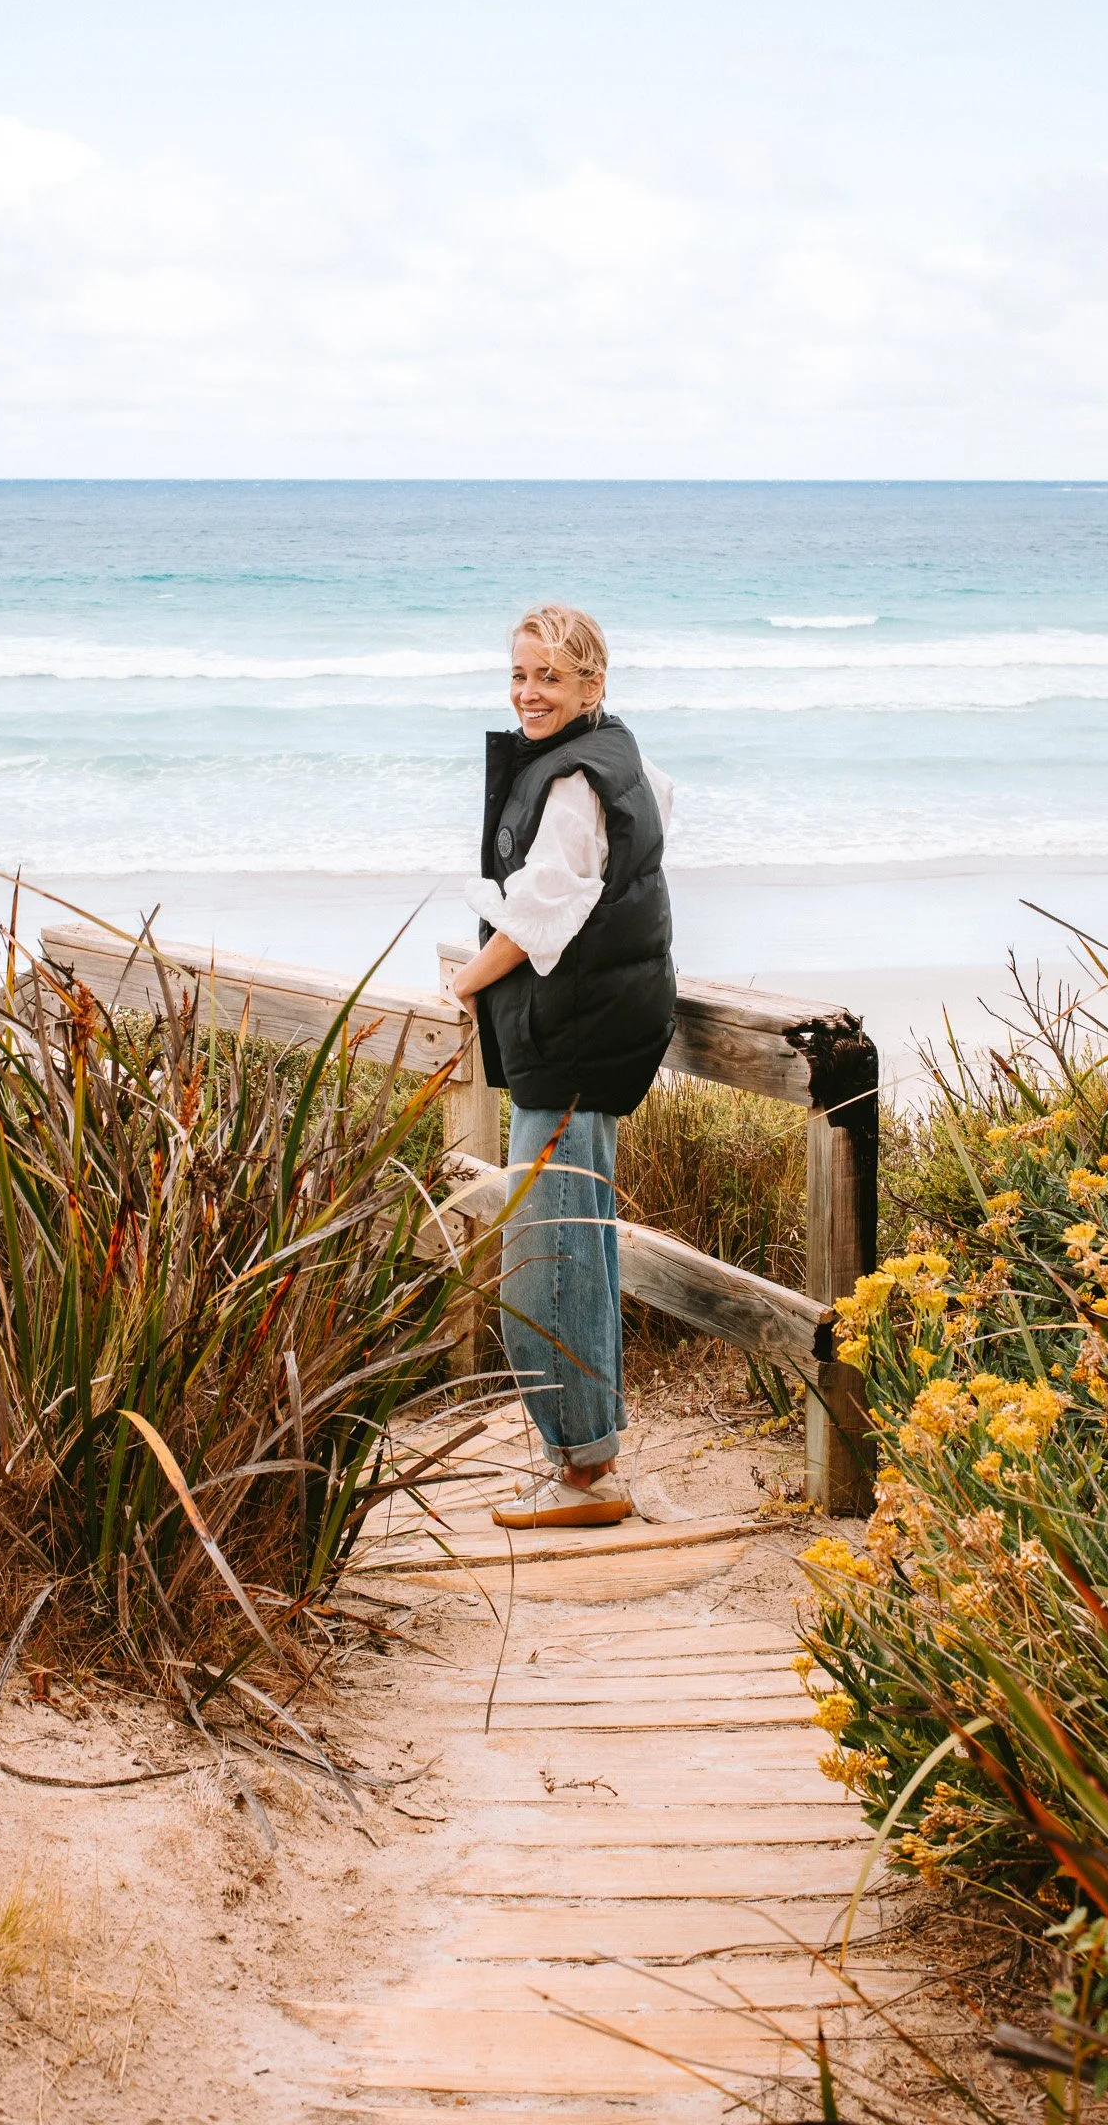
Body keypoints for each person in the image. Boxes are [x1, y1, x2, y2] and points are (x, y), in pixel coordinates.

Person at [447, 604, 676, 1527]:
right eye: (518, 676)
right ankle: (588, 1460)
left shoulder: (580, 782)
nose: (528, 694)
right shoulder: (624, 758)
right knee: (577, 1236)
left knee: (550, 1258)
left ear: (593, 683)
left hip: (577, 1036)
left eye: (549, 677)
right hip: (597, 1026)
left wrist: (464, 982)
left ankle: (586, 1475)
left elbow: (543, 911)